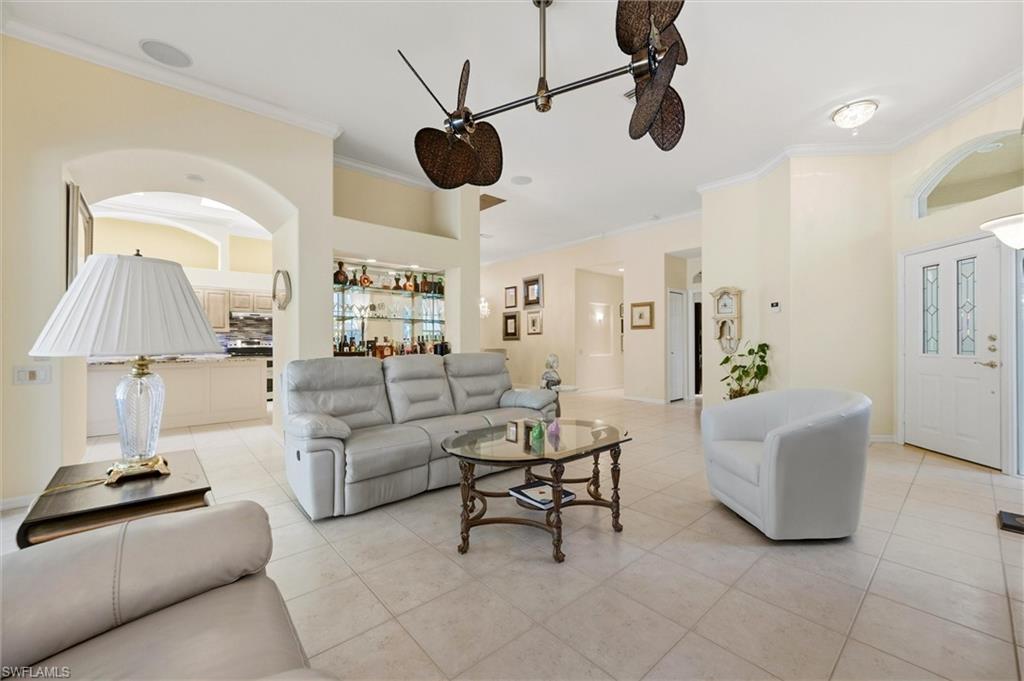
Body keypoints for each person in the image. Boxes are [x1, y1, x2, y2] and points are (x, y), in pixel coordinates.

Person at [540, 353, 562, 417]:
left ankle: (555, 426)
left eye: (558, 362)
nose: (558, 364)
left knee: (557, 413)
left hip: (556, 397)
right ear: (551, 363)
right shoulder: (546, 373)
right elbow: (542, 387)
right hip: (551, 398)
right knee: (552, 413)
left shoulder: (555, 372)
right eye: (556, 362)